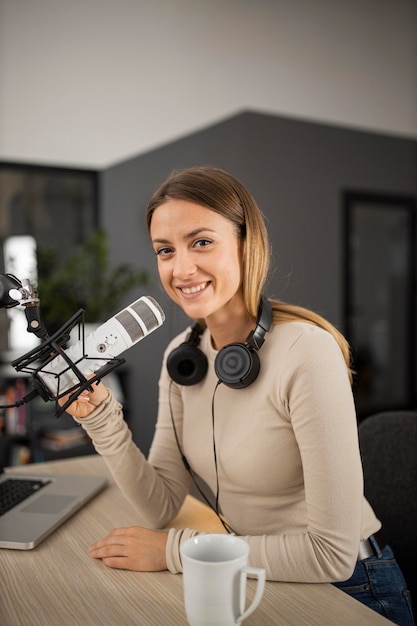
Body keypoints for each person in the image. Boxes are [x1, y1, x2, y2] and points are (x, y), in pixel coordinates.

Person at [65, 166, 414, 625]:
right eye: (165, 250)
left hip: (352, 588)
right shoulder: (183, 357)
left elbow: (331, 553)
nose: (181, 268)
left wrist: (176, 551)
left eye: (202, 242)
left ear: (247, 245)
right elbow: (161, 503)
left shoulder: (306, 351)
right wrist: (102, 420)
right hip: (253, 572)